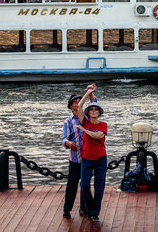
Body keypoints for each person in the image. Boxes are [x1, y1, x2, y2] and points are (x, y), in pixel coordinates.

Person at [61, 84, 97, 219]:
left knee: (85, 184)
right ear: (71, 107)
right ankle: (67, 209)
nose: (78, 104)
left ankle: (84, 208)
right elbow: (64, 139)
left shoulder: (86, 117)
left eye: (79, 102)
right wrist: (69, 143)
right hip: (75, 159)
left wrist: (90, 92)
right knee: (72, 184)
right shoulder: (68, 122)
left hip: (87, 158)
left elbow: (94, 104)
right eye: (76, 103)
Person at [75, 86, 107, 222]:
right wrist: (88, 93)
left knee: (99, 187)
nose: (94, 111)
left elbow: (98, 136)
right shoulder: (85, 121)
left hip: (101, 159)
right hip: (87, 159)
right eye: (92, 109)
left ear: (99, 112)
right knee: (85, 185)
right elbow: (79, 107)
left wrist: (84, 130)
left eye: (96, 109)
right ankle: (90, 208)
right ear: (89, 112)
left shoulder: (103, 124)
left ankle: (95, 213)